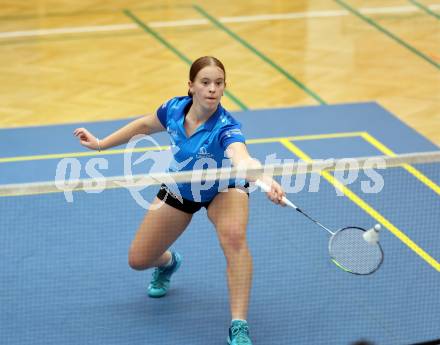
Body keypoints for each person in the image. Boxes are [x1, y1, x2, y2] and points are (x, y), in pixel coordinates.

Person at [73, 56, 285, 345]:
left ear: (225, 88)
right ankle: (168, 263)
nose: (212, 89)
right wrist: (100, 144)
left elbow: (242, 156)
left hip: (224, 188)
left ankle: (239, 323)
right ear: (191, 86)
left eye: (219, 83)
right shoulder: (173, 109)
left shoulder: (226, 127)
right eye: (205, 82)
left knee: (235, 237)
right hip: (182, 186)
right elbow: (145, 125)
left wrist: (264, 179)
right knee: (138, 259)